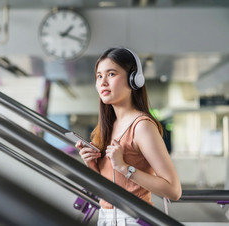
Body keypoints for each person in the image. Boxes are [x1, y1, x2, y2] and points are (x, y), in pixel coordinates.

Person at [76, 47, 182, 226]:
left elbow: (173, 190)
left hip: (132, 219)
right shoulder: (105, 128)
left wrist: (125, 168)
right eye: (99, 76)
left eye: (111, 74)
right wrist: (91, 164)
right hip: (105, 218)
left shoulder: (142, 127)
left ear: (134, 80)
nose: (103, 82)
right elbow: (106, 188)